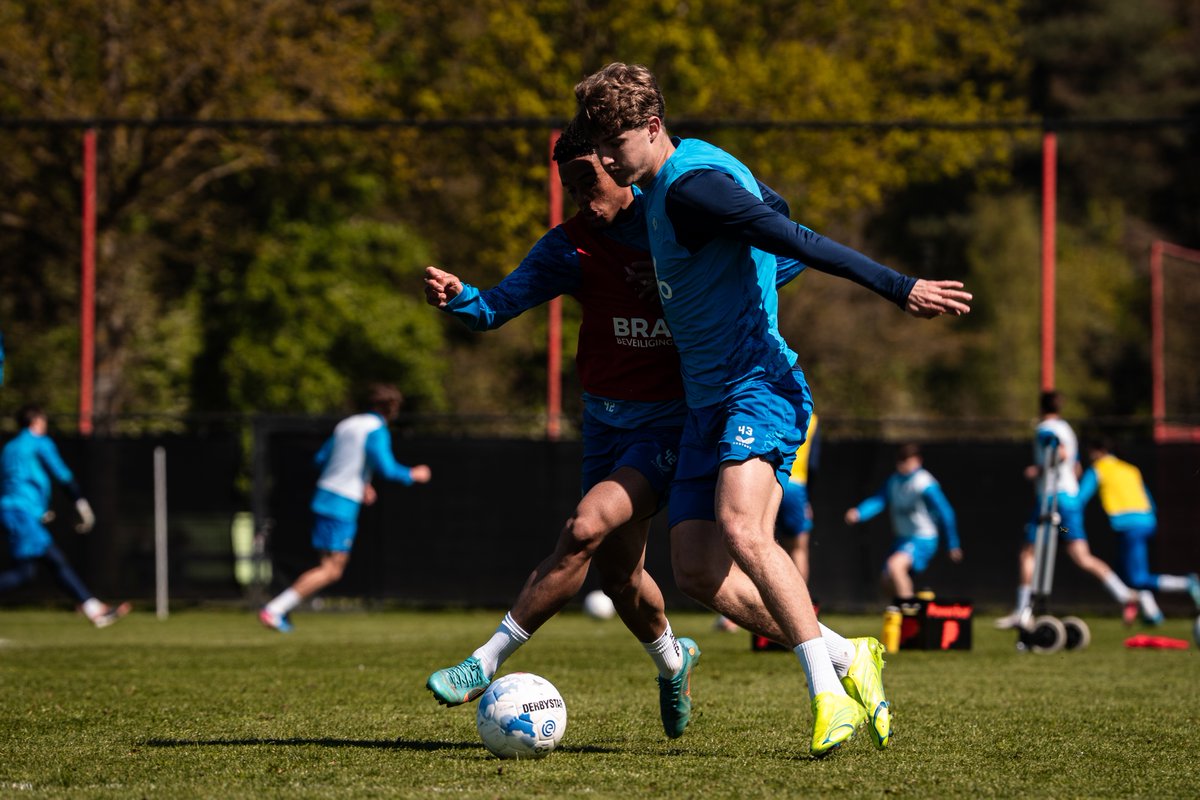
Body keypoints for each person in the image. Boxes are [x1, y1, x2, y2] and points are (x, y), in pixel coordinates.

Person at [574, 62, 972, 756]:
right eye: (598, 144)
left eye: (616, 143)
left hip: (756, 384)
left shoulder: (695, 188)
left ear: (653, 127)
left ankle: (827, 697)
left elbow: (796, 239)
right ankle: (851, 658)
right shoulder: (686, 178)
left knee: (742, 529)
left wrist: (899, 286)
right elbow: (773, 220)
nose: (606, 158)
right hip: (706, 400)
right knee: (697, 571)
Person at [259, 383, 431, 632]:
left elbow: (321, 459)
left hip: (326, 495)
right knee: (331, 570)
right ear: (392, 408)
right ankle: (275, 609)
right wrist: (414, 474)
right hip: (342, 501)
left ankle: (278, 610)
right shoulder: (377, 429)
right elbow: (387, 468)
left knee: (328, 567)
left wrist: (361, 481)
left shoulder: (346, 424)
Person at [995, 391, 1139, 630]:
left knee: (1028, 553)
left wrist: (1039, 470)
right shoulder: (1068, 429)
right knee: (1081, 556)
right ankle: (1124, 594)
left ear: (1040, 409)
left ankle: (1023, 611)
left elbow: (1059, 452)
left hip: (1052, 501)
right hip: (1067, 509)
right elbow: (1077, 467)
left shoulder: (1045, 429)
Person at [0, 404, 128, 627]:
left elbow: (15, 482)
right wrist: (80, 502)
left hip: (12, 511)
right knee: (41, 565)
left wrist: (37, 510)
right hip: (22, 514)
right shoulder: (39, 442)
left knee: (33, 569)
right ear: (37, 422)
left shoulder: (9, 448)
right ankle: (94, 609)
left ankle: (93, 608)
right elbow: (62, 474)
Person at [715, 411, 819, 632]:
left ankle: (735, 616)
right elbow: (814, 465)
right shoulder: (812, 417)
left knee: (745, 542)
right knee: (797, 548)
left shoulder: (765, 406)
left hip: (765, 477)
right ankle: (802, 609)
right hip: (796, 485)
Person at [1077, 438, 1200, 624]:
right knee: (1123, 571)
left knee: (1138, 577)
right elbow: (1149, 500)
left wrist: (1063, 524)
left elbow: (1078, 500)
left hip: (1128, 525)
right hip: (1146, 521)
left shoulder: (1098, 469)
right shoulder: (1130, 469)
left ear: (1097, 451)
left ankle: (1185, 583)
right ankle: (1151, 613)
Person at [843, 443, 962, 603]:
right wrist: (859, 513)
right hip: (902, 540)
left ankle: (909, 618)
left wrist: (952, 543)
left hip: (923, 539)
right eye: (900, 459)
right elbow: (879, 500)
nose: (902, 463)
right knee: (886, 583)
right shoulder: (894, 481)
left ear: (918, 461)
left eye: (907, 460)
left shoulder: (924, 483)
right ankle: (917, 605)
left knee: (896, 567)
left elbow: (946, 512)